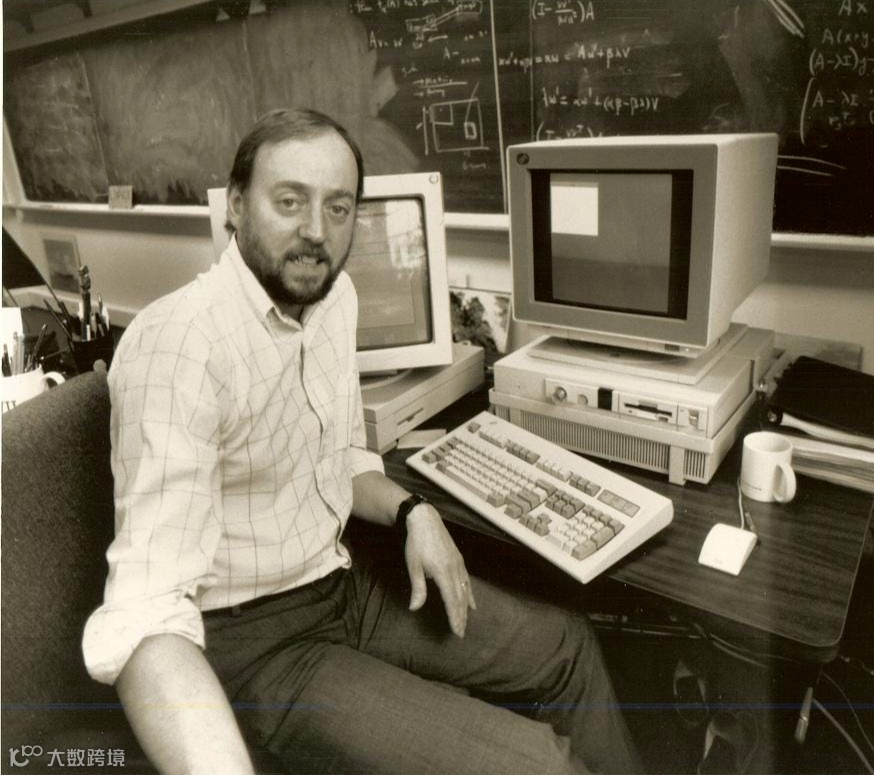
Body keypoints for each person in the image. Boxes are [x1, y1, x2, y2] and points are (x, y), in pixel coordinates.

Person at [83, 108, 643, 774]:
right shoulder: (180, 345)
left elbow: (341, 459)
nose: (316, 230)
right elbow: (147, 612)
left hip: (339, 585)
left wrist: (415, 512)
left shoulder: (333, 299)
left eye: (338, 207)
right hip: (254, 644)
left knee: (567, 647)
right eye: (289, 201)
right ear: (235, 205)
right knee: (541, 766)